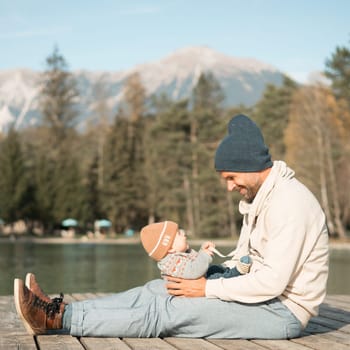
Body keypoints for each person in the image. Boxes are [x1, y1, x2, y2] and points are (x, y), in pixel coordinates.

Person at [14, 114, 329, 339]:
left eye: (231, 178)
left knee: (168, 311)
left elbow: (272, 283)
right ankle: (62, 308)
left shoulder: (290, 204)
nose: (229, 187)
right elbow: (247, 263)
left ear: (249, 166)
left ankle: (55, 321)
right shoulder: (261, 197)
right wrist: (205, 273)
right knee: (159, 289)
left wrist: (205, 288)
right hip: (257, 294)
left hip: (280, 312)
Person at [140, 220, 251, 279]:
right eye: (179, 234)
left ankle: (227, 269)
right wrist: (204, 255)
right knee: (216, 277)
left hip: (200, 277)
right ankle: (236, 272)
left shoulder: (179, 254)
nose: (184, 234)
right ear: (170, 249)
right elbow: (195, 271)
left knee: (214, 269)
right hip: (197, 282)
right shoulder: (172, 264)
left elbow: (194, 262)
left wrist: (202, 250)